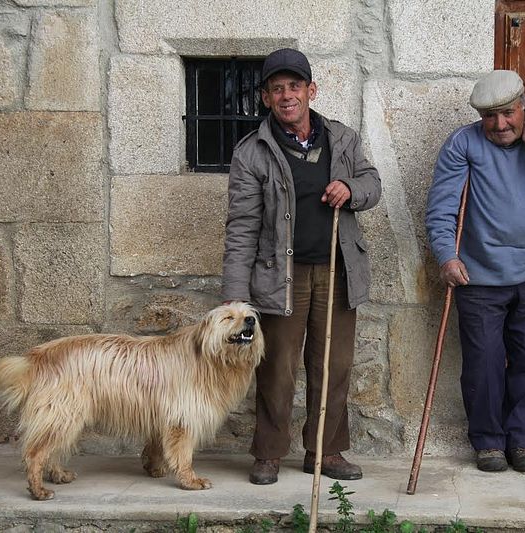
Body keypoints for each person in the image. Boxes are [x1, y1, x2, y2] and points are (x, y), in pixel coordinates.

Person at [222, 48, 381, 485]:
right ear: (266, 98)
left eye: (294, 86)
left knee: (334, 363)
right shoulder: (252, 152)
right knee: (277, 367)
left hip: (337, 268)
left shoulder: (342, 138)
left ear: (311, 90)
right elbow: (241, 227)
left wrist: (350, 188)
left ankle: (325, 452)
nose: (286, 95)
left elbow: (372, 183)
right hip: (280, 277)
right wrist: (235, 297)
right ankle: (269, 454)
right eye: (277, 89)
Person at [425, 70, 525, 473]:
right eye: (490, 116)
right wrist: (447, 257)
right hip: (478, 275)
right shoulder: (463, 143)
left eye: (508, 114)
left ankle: (524, 442)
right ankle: (489, 443)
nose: (499, 124)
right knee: (484, 361)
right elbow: (441, 207)